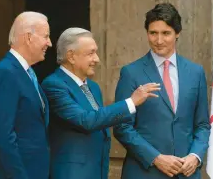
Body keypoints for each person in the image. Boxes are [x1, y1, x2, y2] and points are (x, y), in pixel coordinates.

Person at [41, 27, 160, 179]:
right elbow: (86, 120)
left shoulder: (93, 87)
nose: (96, 59)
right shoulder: (54, 85)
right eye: (90, 53)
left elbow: (101, 123)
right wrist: (131, 102)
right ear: (71, 56)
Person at [114, 3, 211, 179]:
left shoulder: (196, 72)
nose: (159, 40)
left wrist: (195, 156)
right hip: (144, 172)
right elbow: (122, 127)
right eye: (153, 33)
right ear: (147, 33)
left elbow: (202, 124)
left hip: (186, 173)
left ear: (177, 33)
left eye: (166, 33)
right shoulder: (130, 72)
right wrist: (156, 158)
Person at [0, 11, 52, 179]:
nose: (49, 43)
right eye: (46, 36)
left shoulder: (27, 73)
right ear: (28, 37)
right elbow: (4, 137)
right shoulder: (5, 73)